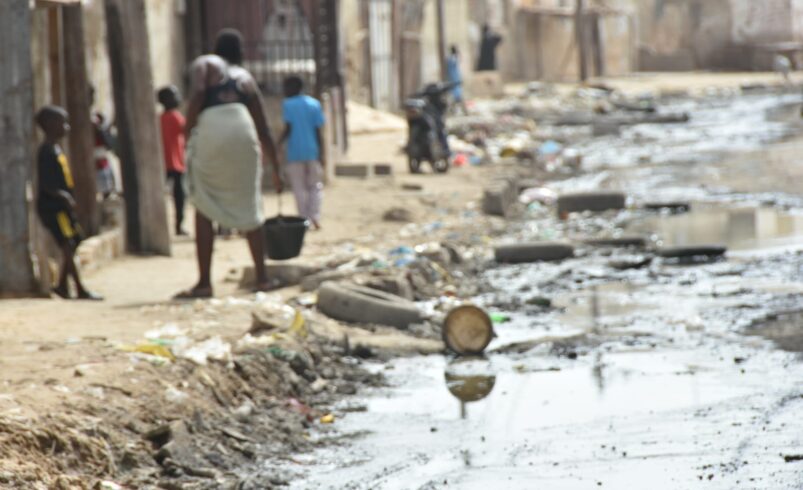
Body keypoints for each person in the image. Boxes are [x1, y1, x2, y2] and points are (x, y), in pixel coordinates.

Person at [177, 29, 282, 299]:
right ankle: (262, 279)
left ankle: (204, 283)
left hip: (213, 130)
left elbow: (199, 93)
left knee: (203, 205)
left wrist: (188, 129)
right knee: (250, 204)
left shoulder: (206, 62)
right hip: (243, 133)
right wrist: (276, 170)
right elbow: (263, 129)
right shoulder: (245, 78)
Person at [35, 106, 103, 301]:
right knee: (67, 244)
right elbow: (47, 184)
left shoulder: (55, 149)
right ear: (49, 125)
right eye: (62, 123)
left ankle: (63, 285)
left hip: (61, 207)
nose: (66, 127)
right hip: (54, 208)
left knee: (73, 242)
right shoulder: (46, 151)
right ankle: (79, 289)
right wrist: (65, 198)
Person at [279, 76, 326, 230]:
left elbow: (288, 129)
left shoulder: (288, 105)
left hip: (295, 152)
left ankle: (304, 219)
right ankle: (315, 217)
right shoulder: (314, 104)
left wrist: (277, 144)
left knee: (299, 188)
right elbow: (319, 131)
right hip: (312, 151)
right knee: (315, 186)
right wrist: (322, 153)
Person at [157, 85, 188, 236]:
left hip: (163, 163)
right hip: (175, 163)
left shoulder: (159, 118)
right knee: (179, 197)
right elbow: (187, 132)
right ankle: (178, 225)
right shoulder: (176, 117)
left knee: (163, 196)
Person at [89, 85, 116, 199]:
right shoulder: (92, 120)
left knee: (107, 191)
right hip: (91, 159)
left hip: (101, 159)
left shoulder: (96, 118)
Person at [447, 45, 467, 115]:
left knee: (456, 97)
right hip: (454, 79)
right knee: (458, 96)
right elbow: (459, 60)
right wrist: (459, 53)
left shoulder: (449, 58)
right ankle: (464, 111)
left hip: (453, 79)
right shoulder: (452, 58)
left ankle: (454, 110)